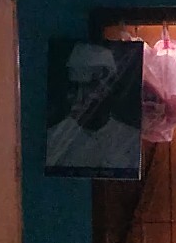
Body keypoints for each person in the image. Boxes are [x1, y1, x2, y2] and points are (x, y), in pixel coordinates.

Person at [40, 39, 140, 177]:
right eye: (76, 87)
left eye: (91, 85)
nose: (82, 96)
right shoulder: (54, 140)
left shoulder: (131, 140)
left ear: (110, 87)